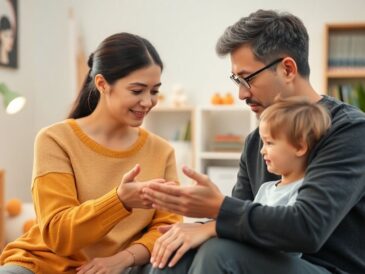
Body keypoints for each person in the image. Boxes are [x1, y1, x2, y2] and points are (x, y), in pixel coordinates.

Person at [142, 9, 365, 274]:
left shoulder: (349, 130)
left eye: (247, 78)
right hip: (267, 260)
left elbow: (308, 227)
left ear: (287, 69)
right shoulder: (255, 142)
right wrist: (200, 226)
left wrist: (216, 214)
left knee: (217, 252)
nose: (240, 93)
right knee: (175, 254)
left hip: (327, 268)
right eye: (236, 80)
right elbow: (240, 220)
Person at [0, 32, 181, 274]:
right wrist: (120, 201)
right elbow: (58, 234)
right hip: (44, 264)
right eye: (137, 91)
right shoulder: (55, 140)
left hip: (118, 268)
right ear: (102, 84)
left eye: (154, 91)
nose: (148, 102)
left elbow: (167, 228)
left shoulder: (162, 151)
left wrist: (124, 258)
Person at [254, 97, 331, 258]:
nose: (262, 151)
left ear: (300, 147)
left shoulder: (304, 191)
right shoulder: (265, 188)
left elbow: (290, 244)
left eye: (269, 143)